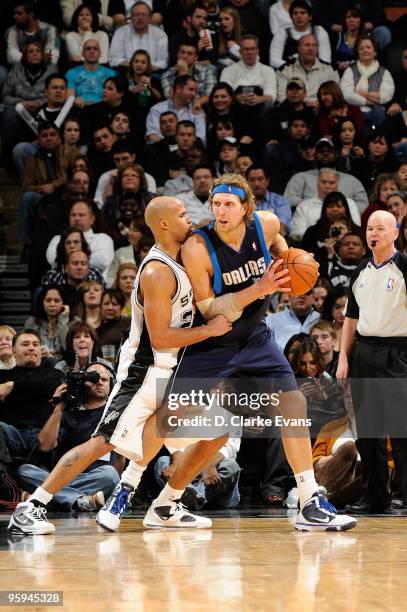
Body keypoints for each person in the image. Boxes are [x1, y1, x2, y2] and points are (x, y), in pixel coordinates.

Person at [8, 197, 232, 534]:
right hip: (145, 370)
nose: (190, 219)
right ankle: (33, 505)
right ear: (165, 225)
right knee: (105, 442)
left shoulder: (185, 258)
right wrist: (210, 330)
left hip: (176, 369)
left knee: (215, 432)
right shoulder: (157, 271)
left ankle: (166, 505)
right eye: (183, 215)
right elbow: (159, 338)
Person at [156, 173, 355, 531]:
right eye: (215, 204)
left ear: (247, 207)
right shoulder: (197, 248)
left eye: (228, 204)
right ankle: (156, 497)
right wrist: (258, 289)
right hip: (212, 342)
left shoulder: (266, 224)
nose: (220, 210)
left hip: (255, 338)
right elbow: (208, 310)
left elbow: (280, 245)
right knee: (169, 421)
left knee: (294, 403)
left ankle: (309, 498)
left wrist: (294, 262)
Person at [337, 210, 407, 513]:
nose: (373, 233)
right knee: (367, 431)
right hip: (364, 353)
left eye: (381, 228)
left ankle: (403, 493)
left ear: (395, 232)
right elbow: (351, 319)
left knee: (400, 430)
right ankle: (374, 495)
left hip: (398, 352)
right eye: (369, 228)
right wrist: (343, 357)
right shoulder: (361, 271)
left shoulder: (404, 266)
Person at [17, 363, 120, 512]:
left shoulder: (115, 414)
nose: (99, 382)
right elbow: (45, 445)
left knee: (110, 475)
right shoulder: (68, 411)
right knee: (25, 471)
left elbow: (120, 459)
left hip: (96, 479)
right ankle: (78, 501)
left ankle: (47, 497)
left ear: (112, 383)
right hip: (62, 474)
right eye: (93, 379)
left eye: (104, 379)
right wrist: (59, 407)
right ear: (82, 382)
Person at [0, 330, 63, 460]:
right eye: (25, 344)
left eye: (35, 344)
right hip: (12, 433)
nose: (31, 348)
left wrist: (12, 387)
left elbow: (50, 386)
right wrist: (38, 391)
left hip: (44, 434)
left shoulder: (54, 374)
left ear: (40, 351)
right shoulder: (2, 376)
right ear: (13, 351)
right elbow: (44, 388)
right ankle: (5, 474)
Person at [340, 36, 395, 132]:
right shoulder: (350, 70)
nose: (364, 50)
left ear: (375, 52)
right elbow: (346, 95)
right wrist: (369, 101)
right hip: (355, 111)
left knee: (379, 113)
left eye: (368, 47)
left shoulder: (384, 72)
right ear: (358, 52)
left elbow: (386, 96)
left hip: (376, 113)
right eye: (361, 48)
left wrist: (363, 93)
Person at [46, 199, 114, 273]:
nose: (76, 218)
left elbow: (102, 261)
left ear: (92, 219)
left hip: (94, 283)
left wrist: (68, 256)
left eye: (81, 215)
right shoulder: (57, 239)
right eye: (73, 215)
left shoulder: (103, 239)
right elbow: (53, 260)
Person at [108, 1, 168, 70]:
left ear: (149, 17)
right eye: (137, 14)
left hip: (152, 73)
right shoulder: (120, 33)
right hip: (126, 72)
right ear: (131, 17)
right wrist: (135, 67)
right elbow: (113, 60)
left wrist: (145, 69)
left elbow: (163, 62)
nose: (140, 18)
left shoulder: (160, 34)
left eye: (144, 14)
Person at [24, 285, 72, 362]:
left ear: (64, 303)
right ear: (42, 302)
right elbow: (27, 347)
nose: (52, 304)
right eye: (48, 300)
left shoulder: (74, 322)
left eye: (57, 300)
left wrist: (63, 322)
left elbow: (68, 349)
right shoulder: (32, 322)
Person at [66, 39, 116, 108]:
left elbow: (114, 98)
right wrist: (75, 100)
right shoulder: (72, 73)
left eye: (95, 49)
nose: (92, 51)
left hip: (104, 108)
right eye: (88, 49)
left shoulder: (111, 74)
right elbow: (70, 98)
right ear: (82, 53)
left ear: (100, 53)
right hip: (79, 108)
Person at [246, 165, 292, 236]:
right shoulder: (241, 202)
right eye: (252, 180)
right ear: (247, 183)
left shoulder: (280, 201)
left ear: (267, 181)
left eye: (260, 179)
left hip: (275, 242)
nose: (256, 184)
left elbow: (281, 227)